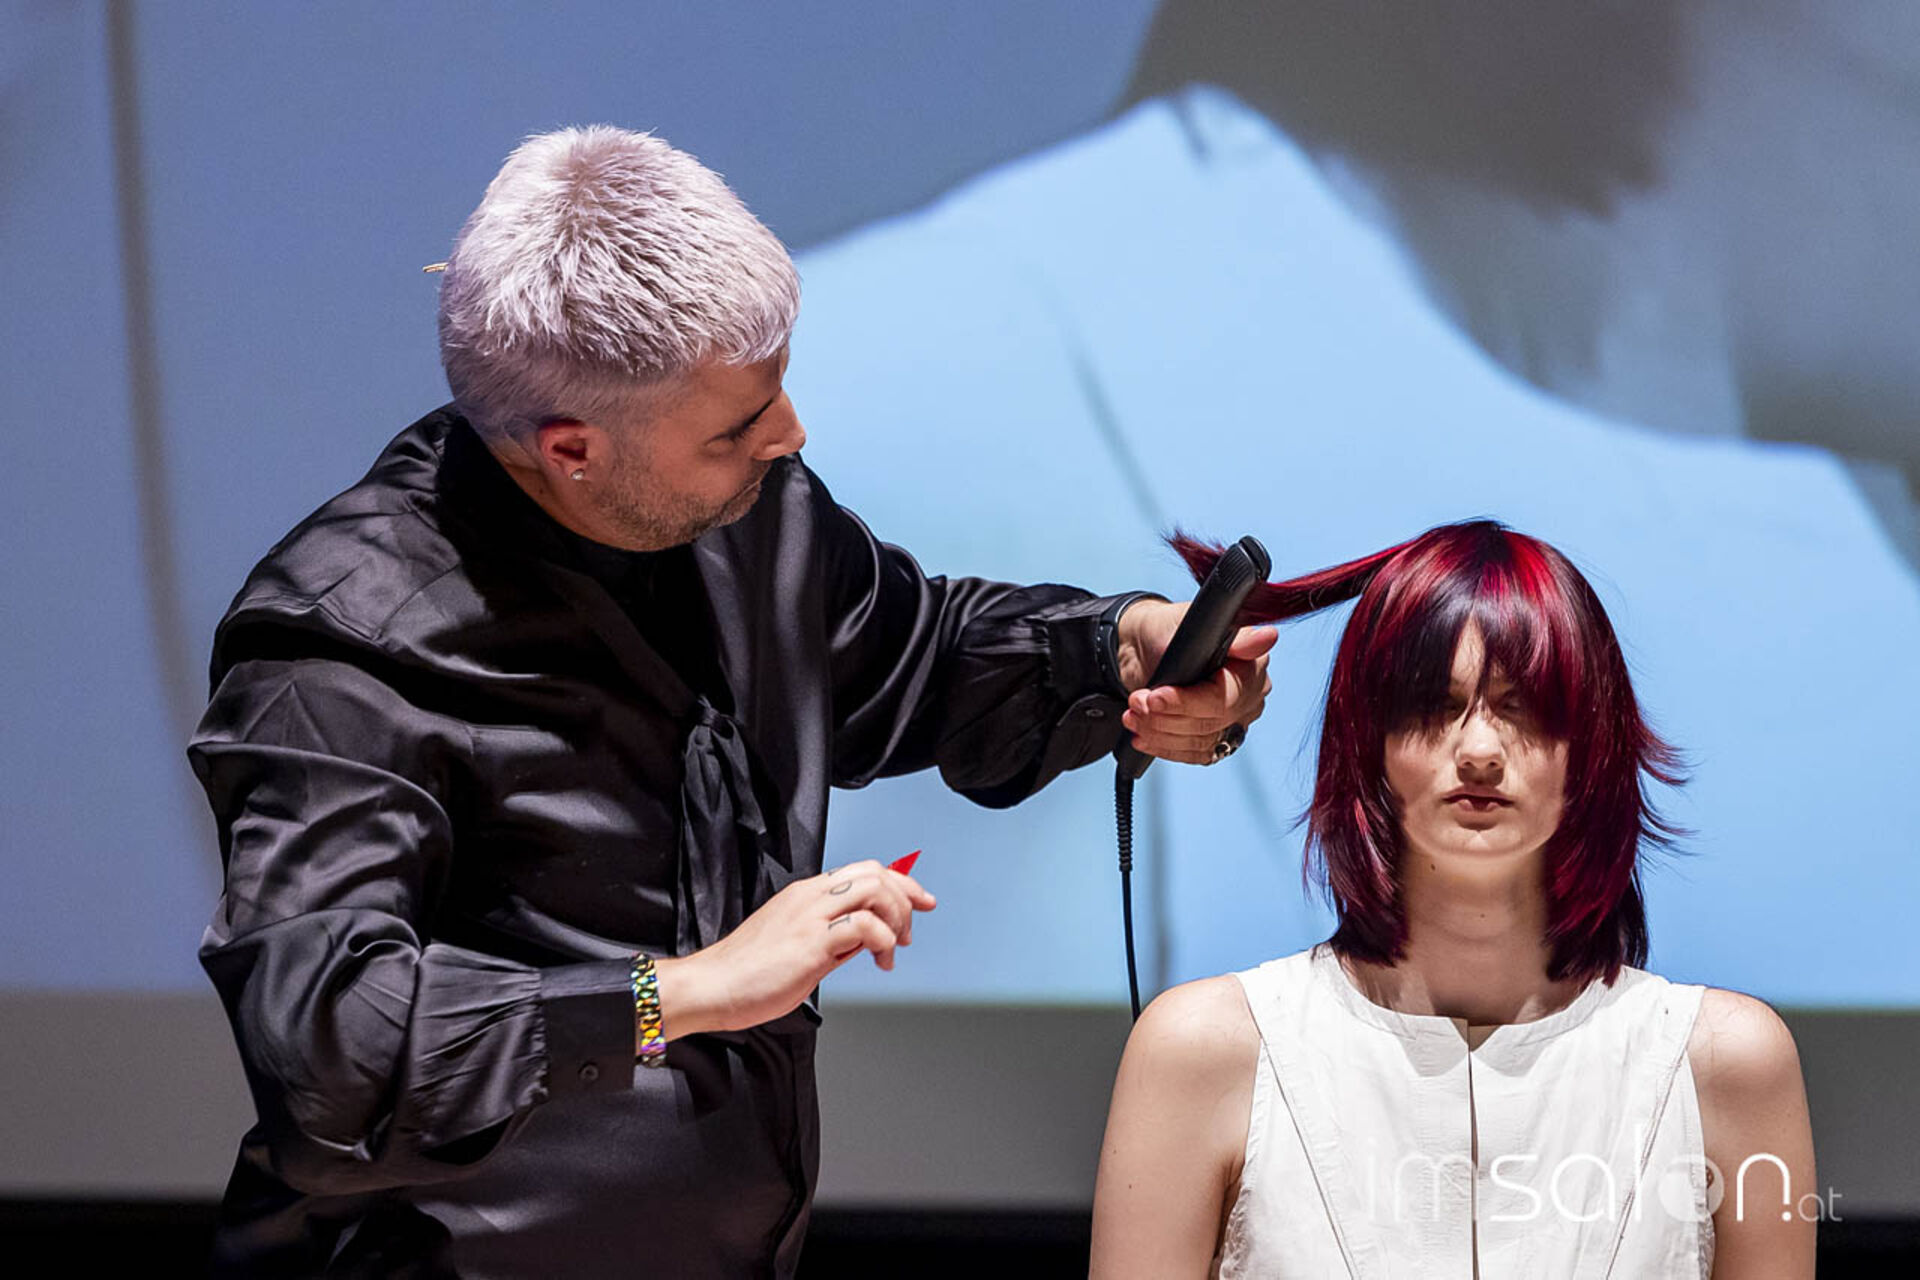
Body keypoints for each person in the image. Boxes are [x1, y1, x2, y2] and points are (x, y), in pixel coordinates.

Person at [188, 125, 1274, 1278]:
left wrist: (1117, 648)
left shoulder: (753, 510)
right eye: (735, 427)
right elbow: (330, 1046)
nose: (788, 433)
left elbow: (915, 654)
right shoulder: (345, 637)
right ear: (572, 449)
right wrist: (683, 991)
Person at [1089, 521, 1815, 1279]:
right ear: (1366, 738)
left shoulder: (1726, 1064)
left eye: (1526, 706)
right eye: (1434, 705)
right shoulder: (1205, 1052)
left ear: (1593, 744)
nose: (1480, 750)